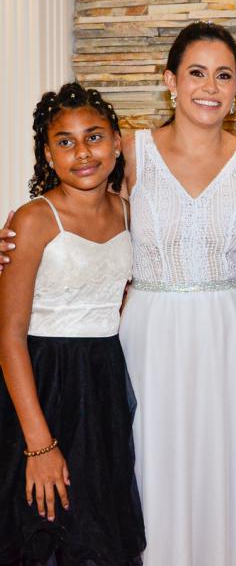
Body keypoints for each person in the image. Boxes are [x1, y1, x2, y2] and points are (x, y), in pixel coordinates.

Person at [118, 21, 236, 566]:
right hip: (151, 331)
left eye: (224, 76)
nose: (210, 87)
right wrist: (26, 238)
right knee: (150, 456)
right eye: (197, 73)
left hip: (225, 333)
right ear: (171, 81)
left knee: (219, 458)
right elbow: (89, 221)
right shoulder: (131, 153)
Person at [0, 83, 145, 566]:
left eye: (94, 137)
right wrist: (39, 444)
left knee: (97, 530)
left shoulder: (129, 213)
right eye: (65, 142)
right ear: (48, 154)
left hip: (103, 385)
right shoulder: (34, 220)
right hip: (43, 383)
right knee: (42, 523)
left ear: (117, 143)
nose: (82, 153)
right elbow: (9, 335)